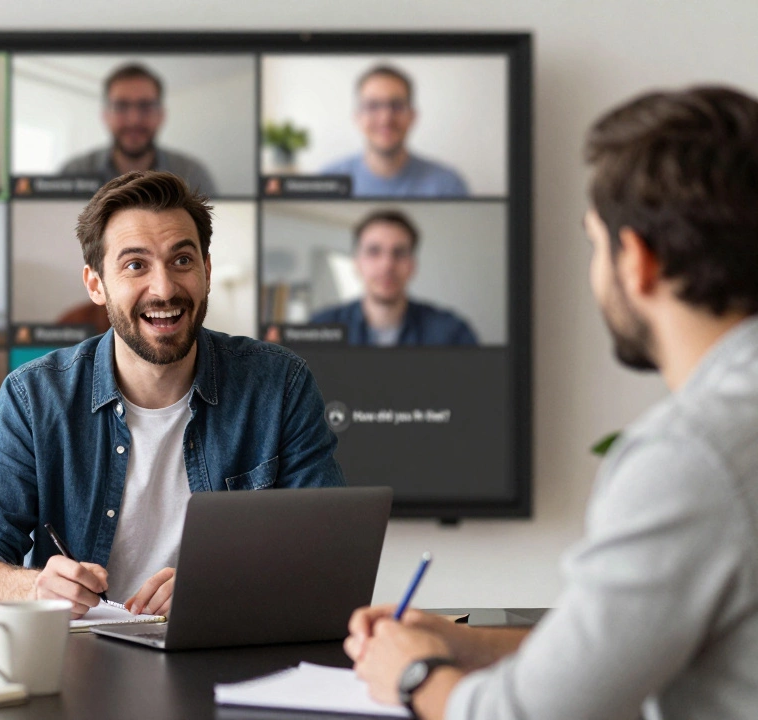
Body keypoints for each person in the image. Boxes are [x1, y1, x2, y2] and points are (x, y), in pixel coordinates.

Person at [346, 86, 758, 720]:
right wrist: (463, 642)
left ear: (638, 262)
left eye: (596, 244)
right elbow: (608, 656)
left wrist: (412, 674)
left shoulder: (691, 456)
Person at [0, 170, 344, 618]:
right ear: (96, 284)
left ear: (206, 271)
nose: (165, 288)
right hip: (81, 660)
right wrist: (36, 588)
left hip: (226, 655)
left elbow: (328, 555)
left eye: (182, 261)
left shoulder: (280, 385)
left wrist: (222, 585)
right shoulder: (33, 398)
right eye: (136, 265)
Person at [309, 209, 478, 346]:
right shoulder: (319, 328)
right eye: (374, 251)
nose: (387, 265)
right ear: (357, 264)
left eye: (399, 253)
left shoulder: (452, 333)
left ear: (412, 266)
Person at [59, 64, 217, 196]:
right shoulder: (73, 171)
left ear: (161, 115)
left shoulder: (193, 176)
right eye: (121, 106)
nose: (134, 119)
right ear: (106, 115)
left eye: (145, 106)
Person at [322, 65, 469, 197]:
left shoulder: (447, 185)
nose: (386, 118)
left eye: (397, 105)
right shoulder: (327, 181)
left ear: (412, 116)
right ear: (357, 117)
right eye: (373, 106)